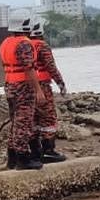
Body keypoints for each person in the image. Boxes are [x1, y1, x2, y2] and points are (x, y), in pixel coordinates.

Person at [0, 18, 44, 170]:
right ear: (27, 28)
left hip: (9, 85)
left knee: (15, 122)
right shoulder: (24, 44)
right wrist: (38, 90)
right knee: (23, 123)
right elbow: (29, 68)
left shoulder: (5, 42)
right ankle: (23, 159)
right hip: (23, 87)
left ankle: (12, 159)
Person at [29, 22, 67, 164]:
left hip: (26, 87)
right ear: (41, 33)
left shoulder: (25, 46)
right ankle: (48, 150)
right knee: (49, 118)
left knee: (33, 119)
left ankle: (35, 151)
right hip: (43, 86)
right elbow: (51, 66)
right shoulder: (42, 46)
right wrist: (60, 83)